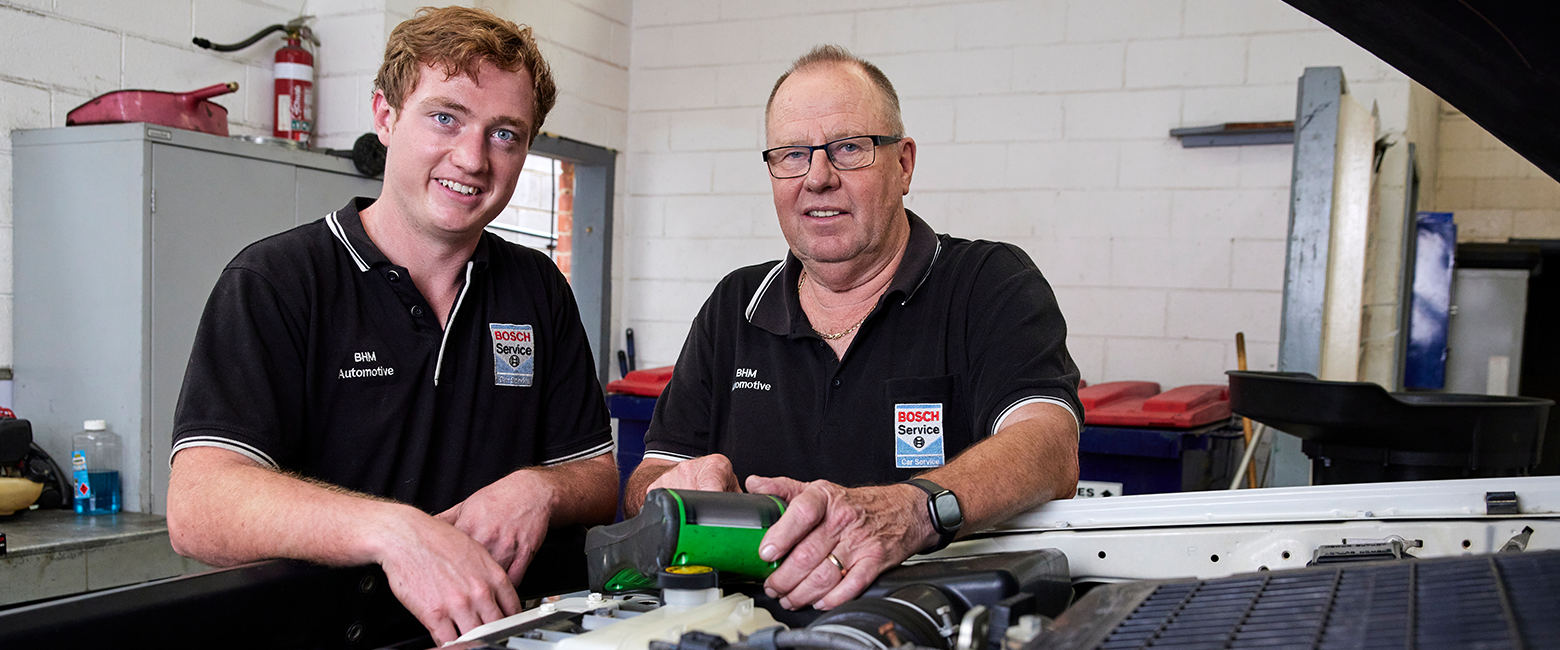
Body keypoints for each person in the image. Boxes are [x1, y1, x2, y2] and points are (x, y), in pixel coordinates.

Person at [164, 7, 617, 644]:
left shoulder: (538, 288)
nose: (473, 158)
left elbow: (596, 477)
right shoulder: (278, 281)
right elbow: (199, 507)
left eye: (505, 134)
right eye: (445, 117)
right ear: (384, 115)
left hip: (503, 635)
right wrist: (399, 533)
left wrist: (539, 488)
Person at [625, 45, 1082, 612]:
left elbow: (1049, 447)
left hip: (934, 625)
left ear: (904, 163)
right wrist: (664, 494)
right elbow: (651, 475)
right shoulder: (733, 306)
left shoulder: (988, 283)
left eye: (848, 148)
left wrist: (915, 510)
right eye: (792, 154)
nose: (818, 178)